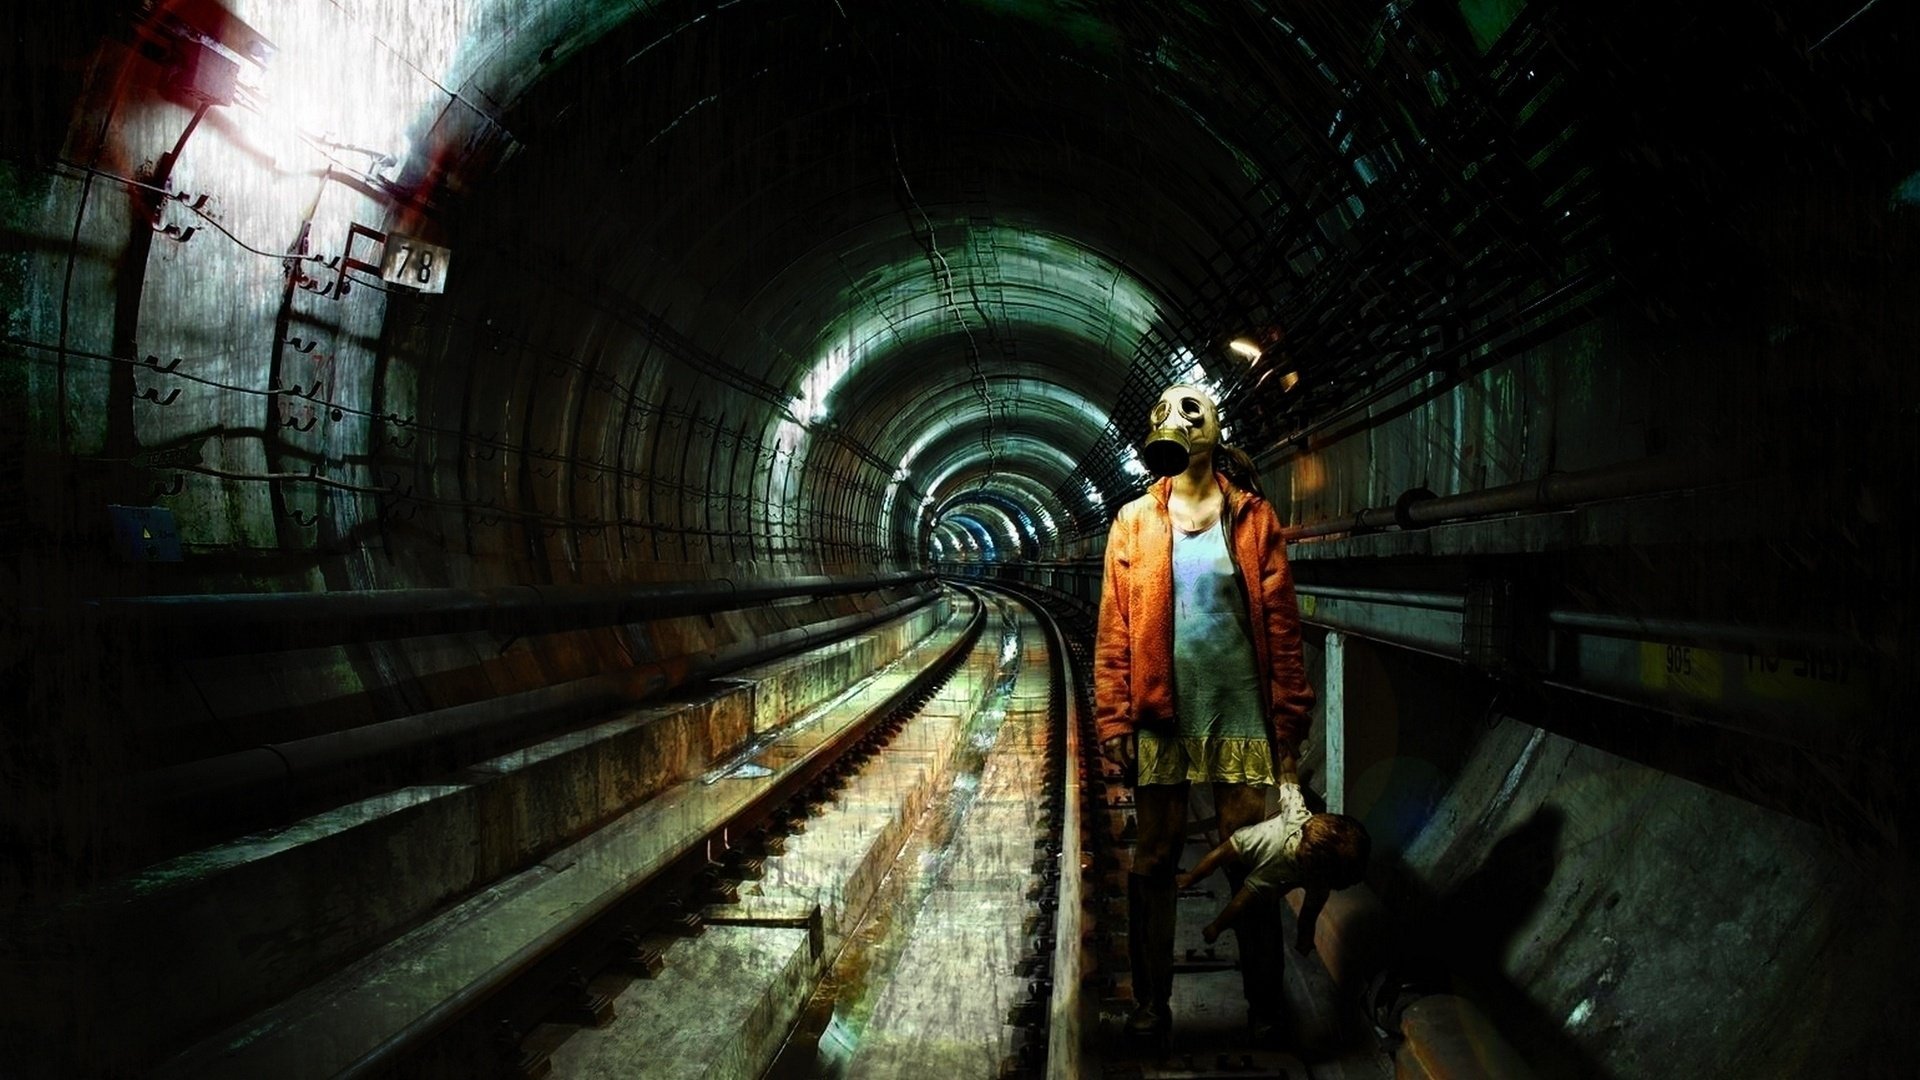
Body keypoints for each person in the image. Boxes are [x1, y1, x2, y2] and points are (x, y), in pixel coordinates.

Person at [1094, 383, 1316, 1045]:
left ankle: (1267, 1007)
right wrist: (1114, 722)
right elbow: (1113, 631)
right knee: (1154, 855)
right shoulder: (1133, 521)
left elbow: (1282, 630)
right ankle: (1150, 1007)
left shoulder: (1253, 518)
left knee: (1252, 857)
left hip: (1241, 715)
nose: (1178, 418)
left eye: (1193, 408)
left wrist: (1289, 728)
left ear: (1217, 429)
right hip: (1164, 716)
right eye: (1163, 409)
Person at [1176, 756, 1370, 951]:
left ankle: (1218, 916)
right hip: (1249, 842)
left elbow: (1308, 916)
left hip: (1280, 866)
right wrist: (1288, 757)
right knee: (1220, 856)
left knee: (1254, 899)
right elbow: (1289, 778)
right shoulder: (1296, 824)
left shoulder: (1302, 831)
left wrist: (1286, 761)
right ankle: (1192, 878)